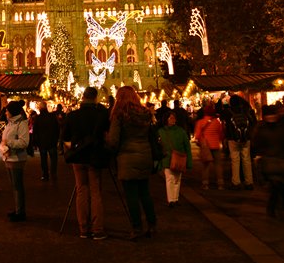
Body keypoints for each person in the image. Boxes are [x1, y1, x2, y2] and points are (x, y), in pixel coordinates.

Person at [107, 86, 157, 240]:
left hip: (127, 158)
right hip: (145, 155)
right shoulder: (145, 113)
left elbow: (114, 141)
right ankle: (152, 224)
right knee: (145, 193)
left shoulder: (120, 114)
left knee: (131, 196)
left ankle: (136, 228)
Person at [63, 87, 110, 240]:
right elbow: (107, 135)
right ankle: (97, 229)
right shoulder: (102, 115)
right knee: (95, 192)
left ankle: (83, 228)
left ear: (82, 97)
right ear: (96, 98)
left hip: (78, 158)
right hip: (95, 156)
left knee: (81, 190)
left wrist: (75, 146)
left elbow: (64, 137)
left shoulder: (73, 115)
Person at [252, 105, 284, 217]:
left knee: (279, 184)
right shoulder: (280, 128)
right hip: (274, 159)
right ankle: (275, 206)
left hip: (276, 159)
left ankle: (276, 205)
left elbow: (256, 143)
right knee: (277, 184)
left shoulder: (264, 128)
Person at [0, 100, 29, 222]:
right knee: (14, 185)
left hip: (17, 158)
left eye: (7, 110)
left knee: (17, 186)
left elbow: (24, 142)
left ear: (12, 111)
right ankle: (18, 209)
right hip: (8, 157)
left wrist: (8, 143)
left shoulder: (21, 123)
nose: (6, 112)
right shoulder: (10, 123)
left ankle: (20, 212)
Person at [158, 111, 192, 207]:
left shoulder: (180, 131)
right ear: (166, 119)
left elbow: (187, 146)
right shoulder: (161, 132)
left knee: (177, 179)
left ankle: (175, 199)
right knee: (170, 179)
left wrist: (189, 161)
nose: (172, 120)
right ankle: (171, 200)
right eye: (170, 118)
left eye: (173, 118)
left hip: (178, 158)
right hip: (167, 159)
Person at [223, 94, 256, 190]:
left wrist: (225, 138)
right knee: (246, 159)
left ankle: (236, 182)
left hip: (232, 138)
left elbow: (225, 126)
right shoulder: (246, 110)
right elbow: (253, 122)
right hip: (246, 138)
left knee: (235, 160)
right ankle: (249, 182)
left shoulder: (228, 112)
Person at [194, 101, 225, 190]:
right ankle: (220, 183)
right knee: (218, 165)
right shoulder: (217, 122)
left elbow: (197, 136)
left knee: (205, 166)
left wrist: (200, 142)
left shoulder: (200, 122)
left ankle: (205, 184)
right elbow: (221, 133)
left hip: (206, 146)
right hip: (216, 145)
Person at [33, 101, 60, 181]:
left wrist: (35, 141)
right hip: (52, 141)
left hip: (42, 142)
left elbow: (35, 130)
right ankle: (53, 174)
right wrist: (56, 138)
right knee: (54, 159)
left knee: (43, 159)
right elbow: (57, 129)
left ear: (40, 108)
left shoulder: (38, 118)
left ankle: (45, 175)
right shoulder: (52, 116)